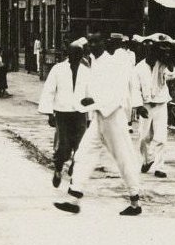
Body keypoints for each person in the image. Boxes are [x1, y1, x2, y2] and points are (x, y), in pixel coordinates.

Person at [54, 33, 143, 216]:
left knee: (124, 158)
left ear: (104, 43)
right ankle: (74, 198)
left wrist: (93, 101)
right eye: (90, 42)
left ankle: (135, 201)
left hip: (113, 117)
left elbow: (117, 92)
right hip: (99, 118)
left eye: (96, 42)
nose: (92, 45)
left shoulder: (114, 64)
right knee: (83, 154)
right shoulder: (92, 63)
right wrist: (88, 103)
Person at [37, 37, 92, 188]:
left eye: (80, 55)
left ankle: (75, 172)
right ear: (69, 55)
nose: (77, 58)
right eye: (74, 55)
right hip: (62, 113)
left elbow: (90, 94)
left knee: (81, 146)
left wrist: (90, 116)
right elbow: (49, 91)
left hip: (80, 113)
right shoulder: (58, 69)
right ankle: (58, 169)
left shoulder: (86, 71)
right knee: (63, 145)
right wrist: (49, 113)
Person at [135, 33, 175, 178]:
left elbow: (172, 75)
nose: (150, 53)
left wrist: (170, 61)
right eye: (147, 50)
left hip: (160, 103)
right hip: (146, 105)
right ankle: (148, 159)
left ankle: (160, 167)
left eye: (153, 50)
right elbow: (135, 88)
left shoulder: (162, 64)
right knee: (143, 137)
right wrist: (138, 106)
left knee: (161, 137)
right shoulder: (139, 68)